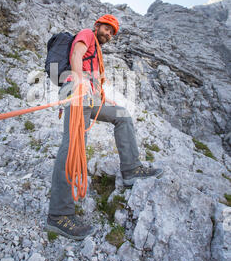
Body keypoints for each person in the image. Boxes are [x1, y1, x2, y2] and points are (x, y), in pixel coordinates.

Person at [46, 15, 163, 240]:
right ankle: (59, 215)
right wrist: (79, 83)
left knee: (123, 116)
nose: (108, 34)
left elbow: (95, 80)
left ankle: (131, 170)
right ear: (97, 26)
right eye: (107, 28)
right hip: (77, 94)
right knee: (73, 148)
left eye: (112, 32)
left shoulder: (98, 53)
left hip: (91, 98)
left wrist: (105, 99)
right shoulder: (87, 35)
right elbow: (76, 54)